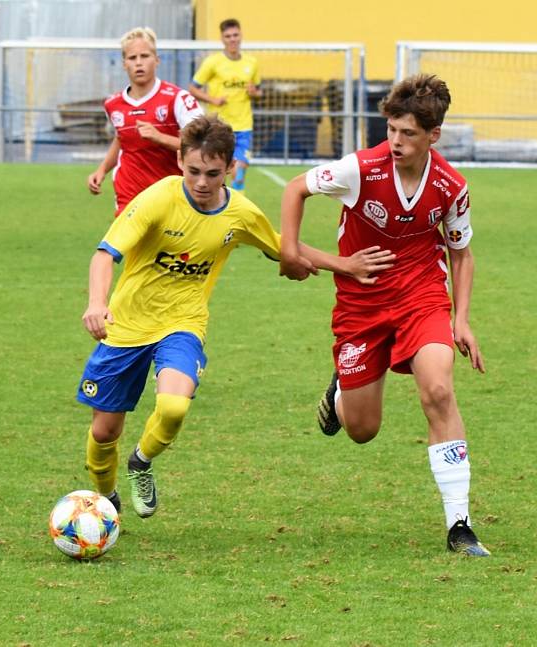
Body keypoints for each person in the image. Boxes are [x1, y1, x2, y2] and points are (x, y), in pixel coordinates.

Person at [76, 115, 394, 517]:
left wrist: (345, 265)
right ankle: (106, 500)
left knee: (174, 407)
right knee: (104, 432)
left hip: (182, 325)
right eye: (193, 171)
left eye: (212, 173)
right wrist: (96, 302)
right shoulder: (158, 198)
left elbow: (284, 246)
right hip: (125, 325)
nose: (202, 183)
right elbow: (106, 254)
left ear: (230, 168)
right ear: (180, 162)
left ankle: (141, 461)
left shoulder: (239, 213)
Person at [279, 74, 491, 557]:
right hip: (362, 304)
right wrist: (293, 253)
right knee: (362, 430)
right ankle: (340, 392)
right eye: (392, 129)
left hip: (422, 297)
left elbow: (462, 253)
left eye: (408, 133)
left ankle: (460, 524)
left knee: (438, 388)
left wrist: (461, 318)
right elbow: (295, 189)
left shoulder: (451, 186)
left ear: (433, 135)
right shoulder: (361, 168)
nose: (395, 141)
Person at [87, 27, 204, 217]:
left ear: (156, 60)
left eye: (145, 56)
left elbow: (200, 146)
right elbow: (121, 138)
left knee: (174, 247)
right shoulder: (112, 104)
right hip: (129, 193)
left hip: (171, 192)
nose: (139, 63)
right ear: (124, 63)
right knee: (123, 246)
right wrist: (101, 170)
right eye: (132, 58)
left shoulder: (177, 98)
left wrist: (159, 137)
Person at [190, 18, 261, 193]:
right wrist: (212, 100)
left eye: (235, 35)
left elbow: (258, 92)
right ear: (222, 39)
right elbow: (192, 88)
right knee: (216, 172)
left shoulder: (252, 63)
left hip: (243, 126)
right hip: (219, 127)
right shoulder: (213, 62)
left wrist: (255, 93)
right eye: (228, 36)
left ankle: (236, 210)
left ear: (241, 35)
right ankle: (217, 205)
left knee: (238, 172)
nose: (232, 39)